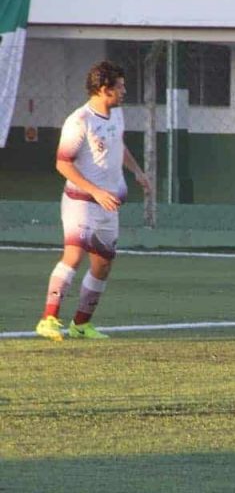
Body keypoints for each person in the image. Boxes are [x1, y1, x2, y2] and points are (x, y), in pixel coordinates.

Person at [34, 60, 150, 342]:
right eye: (119, 86)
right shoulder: (79, 121)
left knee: (103, 264)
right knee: (74, 254)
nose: (124, 91)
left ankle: (81, 324)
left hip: (109, 204)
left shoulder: (117, 115)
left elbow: (117, 147)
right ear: (103, 89)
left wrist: (137, 172)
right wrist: (95, 191)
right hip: (80, 200)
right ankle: (48, 319)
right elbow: (63, 164)